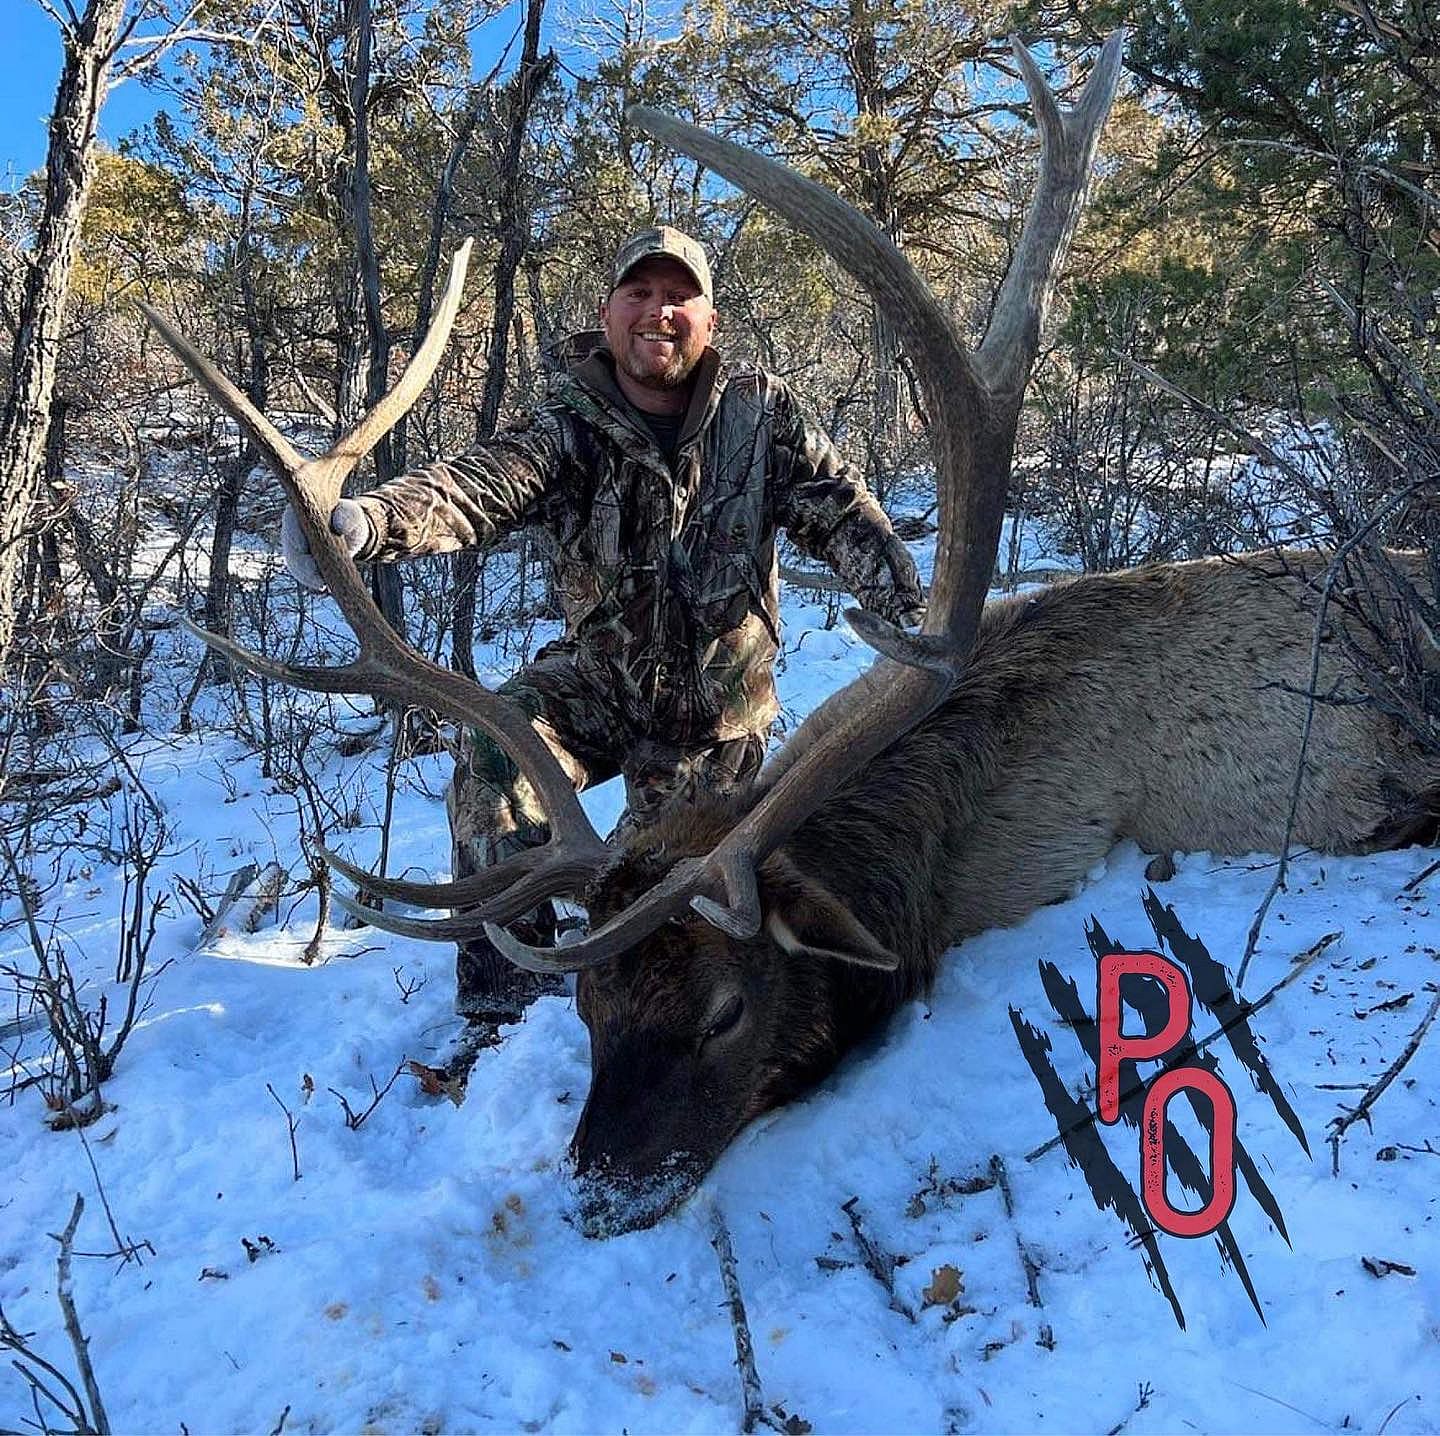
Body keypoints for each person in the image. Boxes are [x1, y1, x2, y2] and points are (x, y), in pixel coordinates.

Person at [283, 225, 925, 1034]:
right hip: (599, 682)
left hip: (714, 717)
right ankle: (504, 1007)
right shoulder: (569, 422)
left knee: (649, 889)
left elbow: (842, 513)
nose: (659, 312)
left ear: (711, 319)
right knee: (492, 759)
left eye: (679, 296)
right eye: (640, 293)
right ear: (608, 311)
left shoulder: (761, 413)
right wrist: (371, 522)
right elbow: (477, 487)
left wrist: (914, 622)